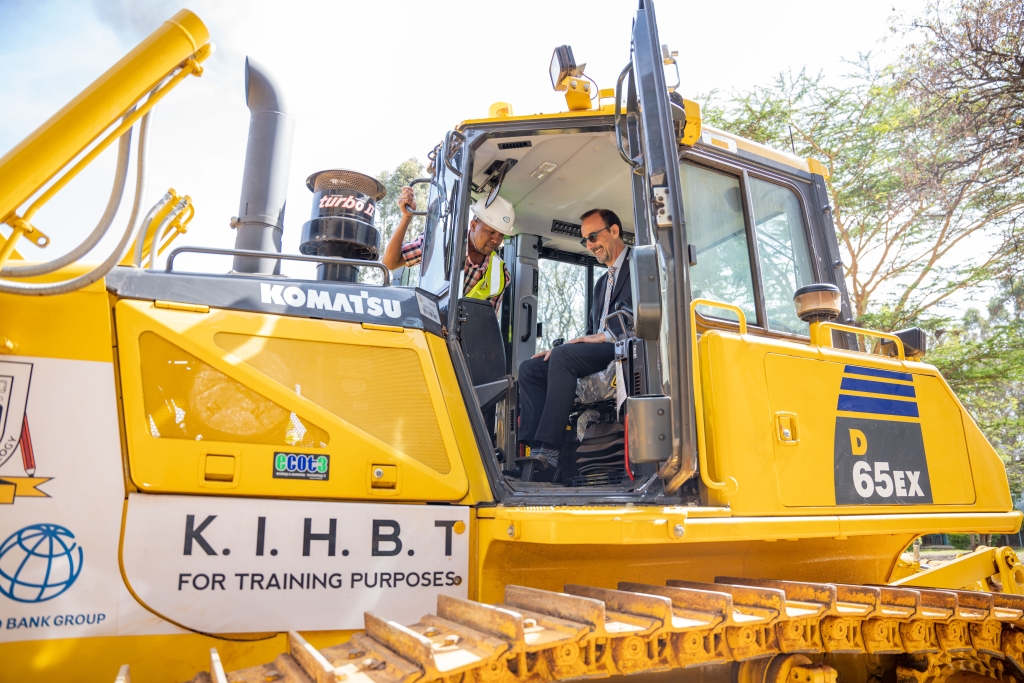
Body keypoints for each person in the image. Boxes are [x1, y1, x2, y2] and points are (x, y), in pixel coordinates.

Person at [517, 208, 632, 468]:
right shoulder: (601, 284)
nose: (589, 245)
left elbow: (643, 318)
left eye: (593, 236)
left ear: (614, 231)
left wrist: (598, 338)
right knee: (531, 369)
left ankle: (549, 451)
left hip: (626, 348)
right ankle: (532, 450)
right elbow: (591, 332)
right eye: (585, 240)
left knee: (563, 356)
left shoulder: (642, 265)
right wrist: (570, 345)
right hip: (602, 350)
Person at [382, 186, 514, 307]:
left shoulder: (500, 275)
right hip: (425, 323)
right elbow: (390, 263)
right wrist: (407, 216)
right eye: (491, 232)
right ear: (473, 225)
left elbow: (485, 322)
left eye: (501, 235)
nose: (496, 240)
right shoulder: (441, 242)